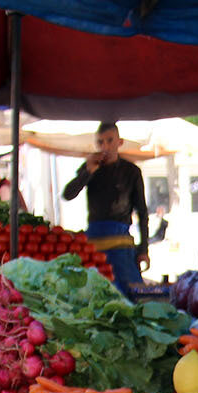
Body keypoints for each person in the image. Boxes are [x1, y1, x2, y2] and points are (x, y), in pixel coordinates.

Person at [62, 121, 150, 295]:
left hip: (122, 245)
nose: (105, 146)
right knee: (95, 295)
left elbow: (142, 211)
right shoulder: (91, 167)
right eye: (100, 142)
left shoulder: (131, 171)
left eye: (110, 141)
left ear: (120, 142)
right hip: (94, 245)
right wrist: (88, 171)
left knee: (130, 295)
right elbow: (67, 194)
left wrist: (144, 249)